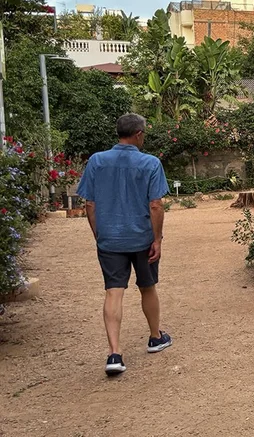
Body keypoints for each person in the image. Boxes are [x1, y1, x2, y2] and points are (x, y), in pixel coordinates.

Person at [78, 113, 172, 376]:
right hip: (141, 237)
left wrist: (100, 234)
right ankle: (155, 337)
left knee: (113, 291)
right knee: (147, 286)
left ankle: (114, 354)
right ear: (139, 134)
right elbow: (155, 205)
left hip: (110, 239)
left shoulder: (96, 161)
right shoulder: (150, 164)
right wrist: (157, 239)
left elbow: (89, 203)